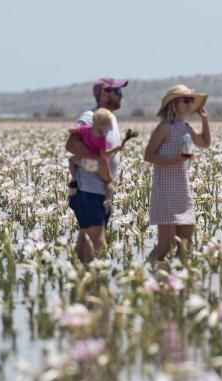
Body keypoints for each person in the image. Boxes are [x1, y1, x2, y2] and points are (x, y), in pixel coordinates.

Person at [144, 84, 210, 262]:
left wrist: (204, 119)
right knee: (166, 243)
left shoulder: (186, 127)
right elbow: (148, 155)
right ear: (173, 104)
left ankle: (180, 279)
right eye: (185, 100)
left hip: (182, 190)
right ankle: (148, 274)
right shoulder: (163, 128)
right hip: (165, 190)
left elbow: (205, 143)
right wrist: (176, 161)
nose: (190, 104)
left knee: (186, 242)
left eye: (191, 100)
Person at [66, 77, 127, 263]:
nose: (121, 96)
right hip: (89, 190)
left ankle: (78, 281)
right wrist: (97, 163)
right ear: (104, 94)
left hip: (98, 190)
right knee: (97, 241)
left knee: (86, 239)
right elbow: (71, 145)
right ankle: (92, 282)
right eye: (117, 92)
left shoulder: (110, 118)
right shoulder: (90, 117)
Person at [67, 108, 122, 213]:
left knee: (72, 160)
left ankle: (74, 178)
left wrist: (72, 131)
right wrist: (115, 149)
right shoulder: (102, 138)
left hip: (88, 163)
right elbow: (103, 154)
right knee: (109, 183)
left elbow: (74, 130)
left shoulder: (86, 129)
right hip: (101, 166)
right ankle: (107, 200)